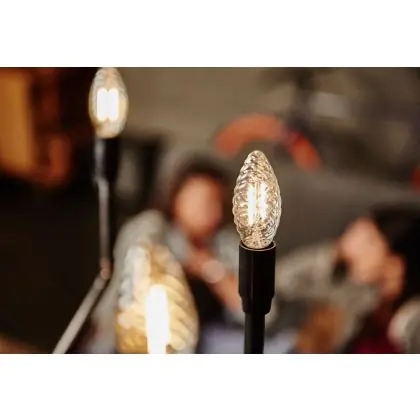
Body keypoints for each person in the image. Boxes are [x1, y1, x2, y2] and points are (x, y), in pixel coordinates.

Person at [86, 155, 242, 353]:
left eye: (215, 202)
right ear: (176, 197)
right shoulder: (151, 227)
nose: (207, 211)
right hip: (129, 338)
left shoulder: (224, 243)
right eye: (198, 200)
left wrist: (211, 269)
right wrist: (187, 258)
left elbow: (257, 312)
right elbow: (139, 266)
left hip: (205, 343)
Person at [275, 205, 420, 353]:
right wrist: (334, 255)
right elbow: (280, 282)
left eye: (369, 243)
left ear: (395, 265)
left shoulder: (411, 322)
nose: (355, 250)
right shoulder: (364, 297)